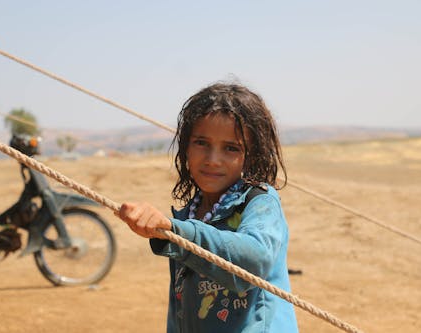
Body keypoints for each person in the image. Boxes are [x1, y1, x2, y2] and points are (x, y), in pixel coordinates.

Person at [118, 82, 299, 332]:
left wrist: (178, 231)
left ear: (252, 155)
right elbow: (180, 308)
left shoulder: (258, 202)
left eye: (231, 148)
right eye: (202, 143)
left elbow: (252, 261)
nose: (213, 160)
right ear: (186, 147)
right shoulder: (190, 214)